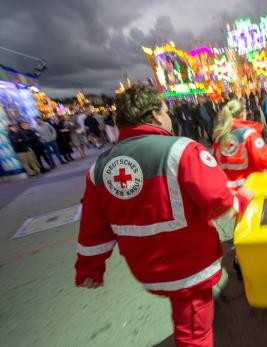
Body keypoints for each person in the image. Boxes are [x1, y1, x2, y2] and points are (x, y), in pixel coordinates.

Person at [74, 85, 250, 347]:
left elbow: (93, 226)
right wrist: (243, 197)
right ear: (156, 115)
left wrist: (90, 268)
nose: (169, 118)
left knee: (185, 315)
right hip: (188, 264)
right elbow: (219, 200)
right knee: (193, 332)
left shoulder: (99, 168)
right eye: (166, 112)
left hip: (145, 265)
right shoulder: (182, 151)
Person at [213, 100, 267, 192]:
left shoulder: (220, 136)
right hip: (248, 188)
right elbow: (263, 160)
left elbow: (216, 163)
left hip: (227, 191)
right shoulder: (249, 134)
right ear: (242, 114)